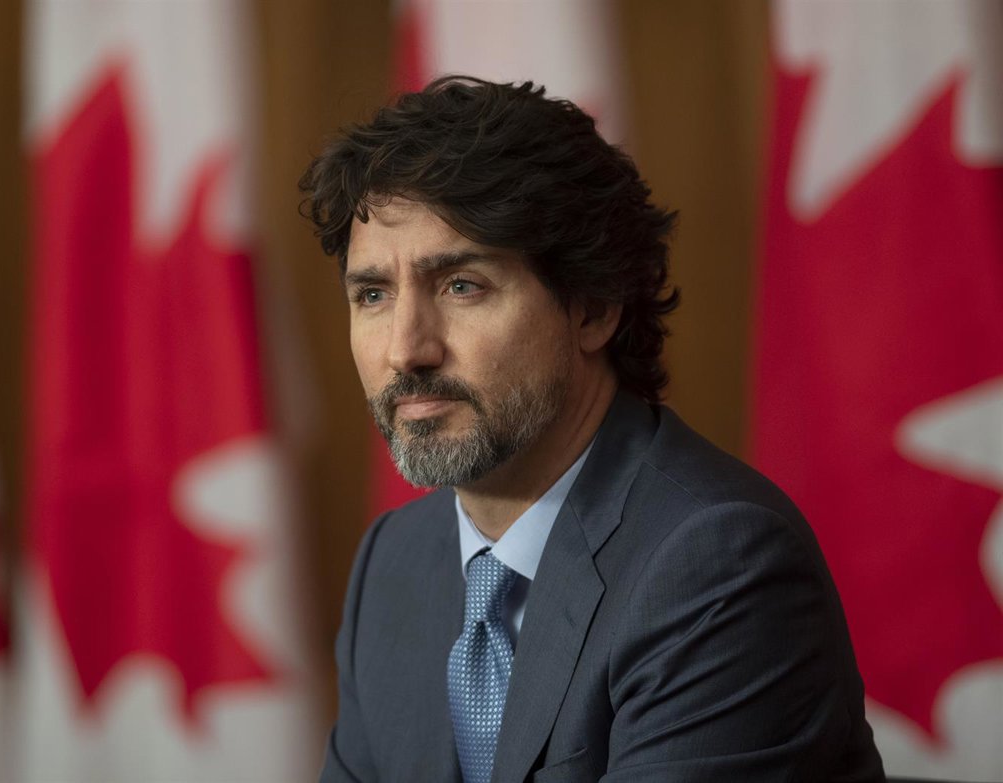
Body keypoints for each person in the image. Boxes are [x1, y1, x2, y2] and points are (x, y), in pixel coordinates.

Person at [299, 76, 885, 783]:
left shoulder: (717, 563)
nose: (405, 349)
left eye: (461, 285)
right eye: (373, 294)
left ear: (594, 306)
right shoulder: (393, 561)